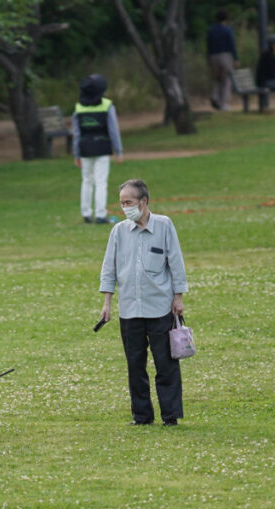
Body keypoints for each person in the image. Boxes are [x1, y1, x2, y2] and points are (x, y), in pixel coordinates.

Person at [99, 179, 189, 426]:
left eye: (129, 202)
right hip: (130, 310)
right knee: (135, 366)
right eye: (122, 203)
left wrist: (178, 296)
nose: (125, 207)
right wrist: (107, 302)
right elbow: (109, 268)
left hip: (160, 307)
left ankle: (170, 416)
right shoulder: (118, 231)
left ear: (144, 201)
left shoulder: (164, 225)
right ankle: (141, 416)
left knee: (166, 363)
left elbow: (176, 262)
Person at [72, 74, 123, 225]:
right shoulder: (107, 105)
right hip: (102, 148)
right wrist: (119, 151)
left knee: (86, 181)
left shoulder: (78, 108)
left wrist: (76, 154)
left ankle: (86, 213)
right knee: (101, 181)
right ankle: (101, 215)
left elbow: (76, 133)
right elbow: (114, 130)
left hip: (85, 149)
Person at [206, 9, 239, 111]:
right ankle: (223, 103)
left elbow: (208, 45)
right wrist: (236, 58)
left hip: (213, 56)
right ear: (226, 18)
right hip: (225, 56)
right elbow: (231, 44)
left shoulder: (211, 30)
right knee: (226, 80)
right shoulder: (227, 30)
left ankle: (215, 97)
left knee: (217, 79)